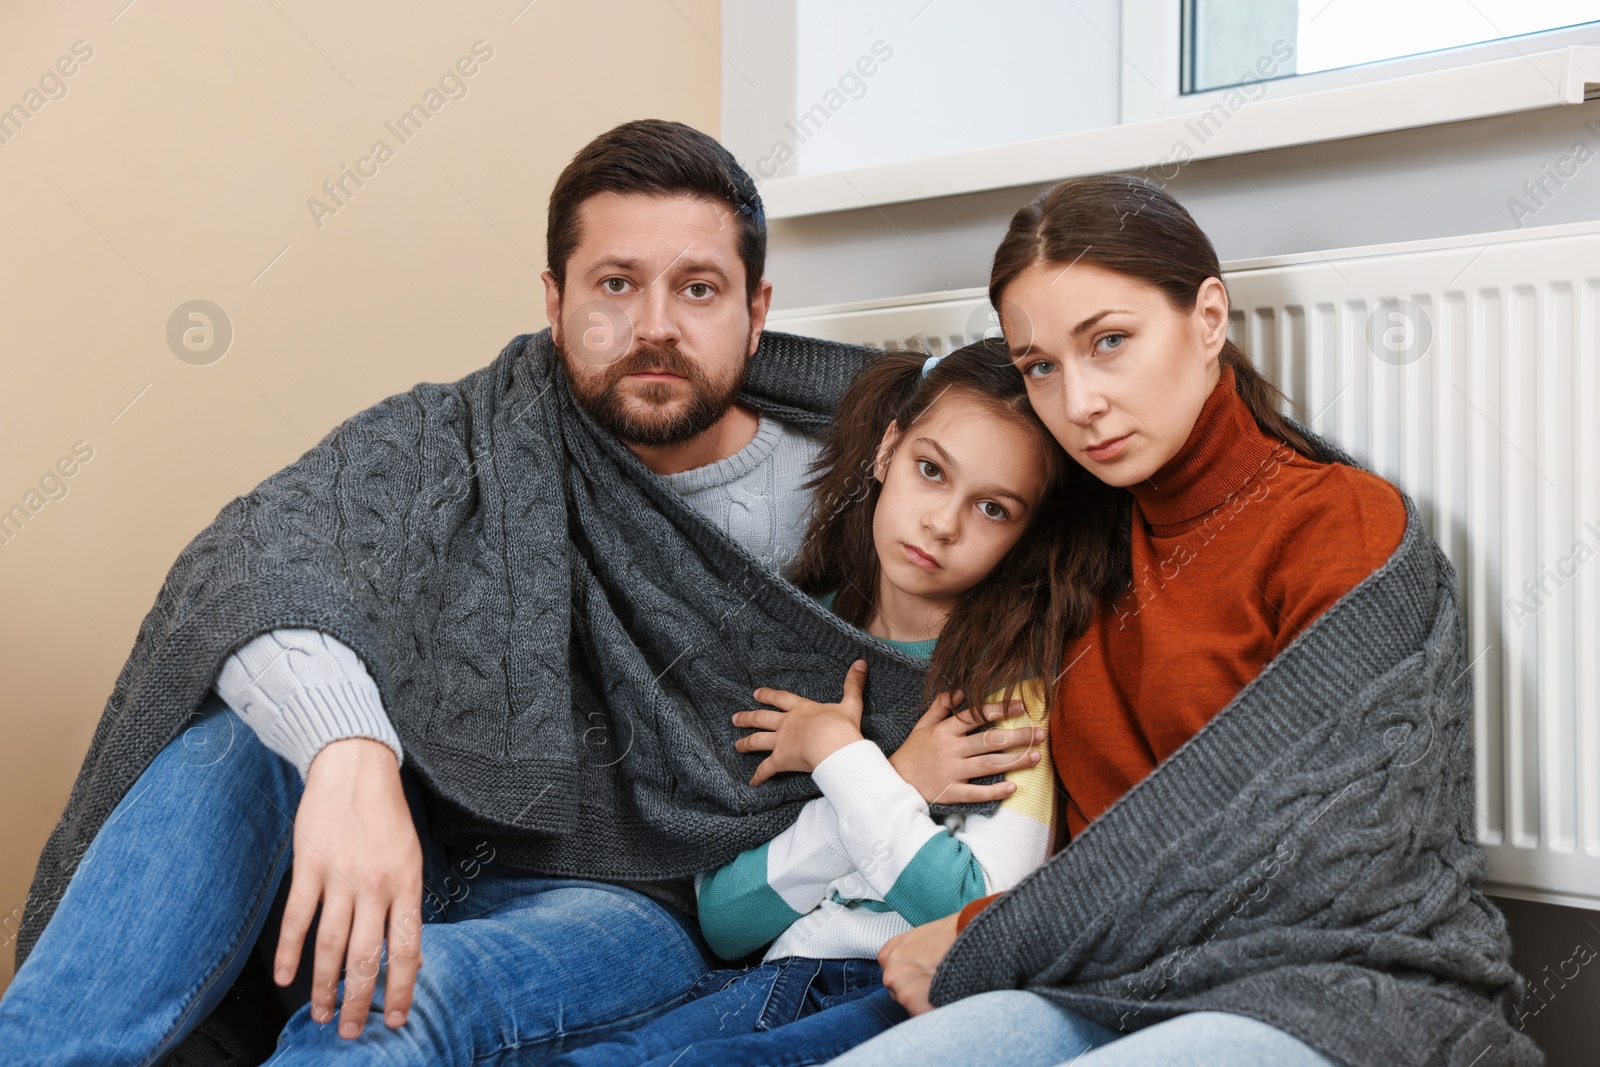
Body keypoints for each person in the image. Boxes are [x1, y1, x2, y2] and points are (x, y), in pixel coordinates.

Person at [0, 120, 1040, 1065]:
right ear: (554, 302)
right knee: (246, 730)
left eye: (699, 288)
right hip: (427, 820)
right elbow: (263, 554)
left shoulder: (876, 488)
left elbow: (961, 627)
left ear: (757, 309)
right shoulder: (478, 432)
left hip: (637, 903)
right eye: (615, 285)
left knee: (393, 997)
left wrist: (878, 769)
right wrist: (350, 753)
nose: (655, 327)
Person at [828, 175, 1539, 1066]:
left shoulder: (1342, 525)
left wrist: (988, 929)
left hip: (1331, 986)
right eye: (1042, 365)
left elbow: (1304, 853)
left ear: (1209, 319)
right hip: (1097, 980)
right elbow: (902, 416)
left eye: (1111, 342)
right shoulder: (1072, 542)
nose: (1077, 402)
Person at [544, 339, 1088, 1067]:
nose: (943, 523)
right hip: (770, 974)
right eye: (932, 471)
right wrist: (891, 777)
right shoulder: (799, 639)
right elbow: (726, 915)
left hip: (890, 991)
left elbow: (977, 912)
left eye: (992, 507)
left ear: (1024, 535)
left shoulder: (1003, 690)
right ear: (888, 450)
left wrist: (842, 757)